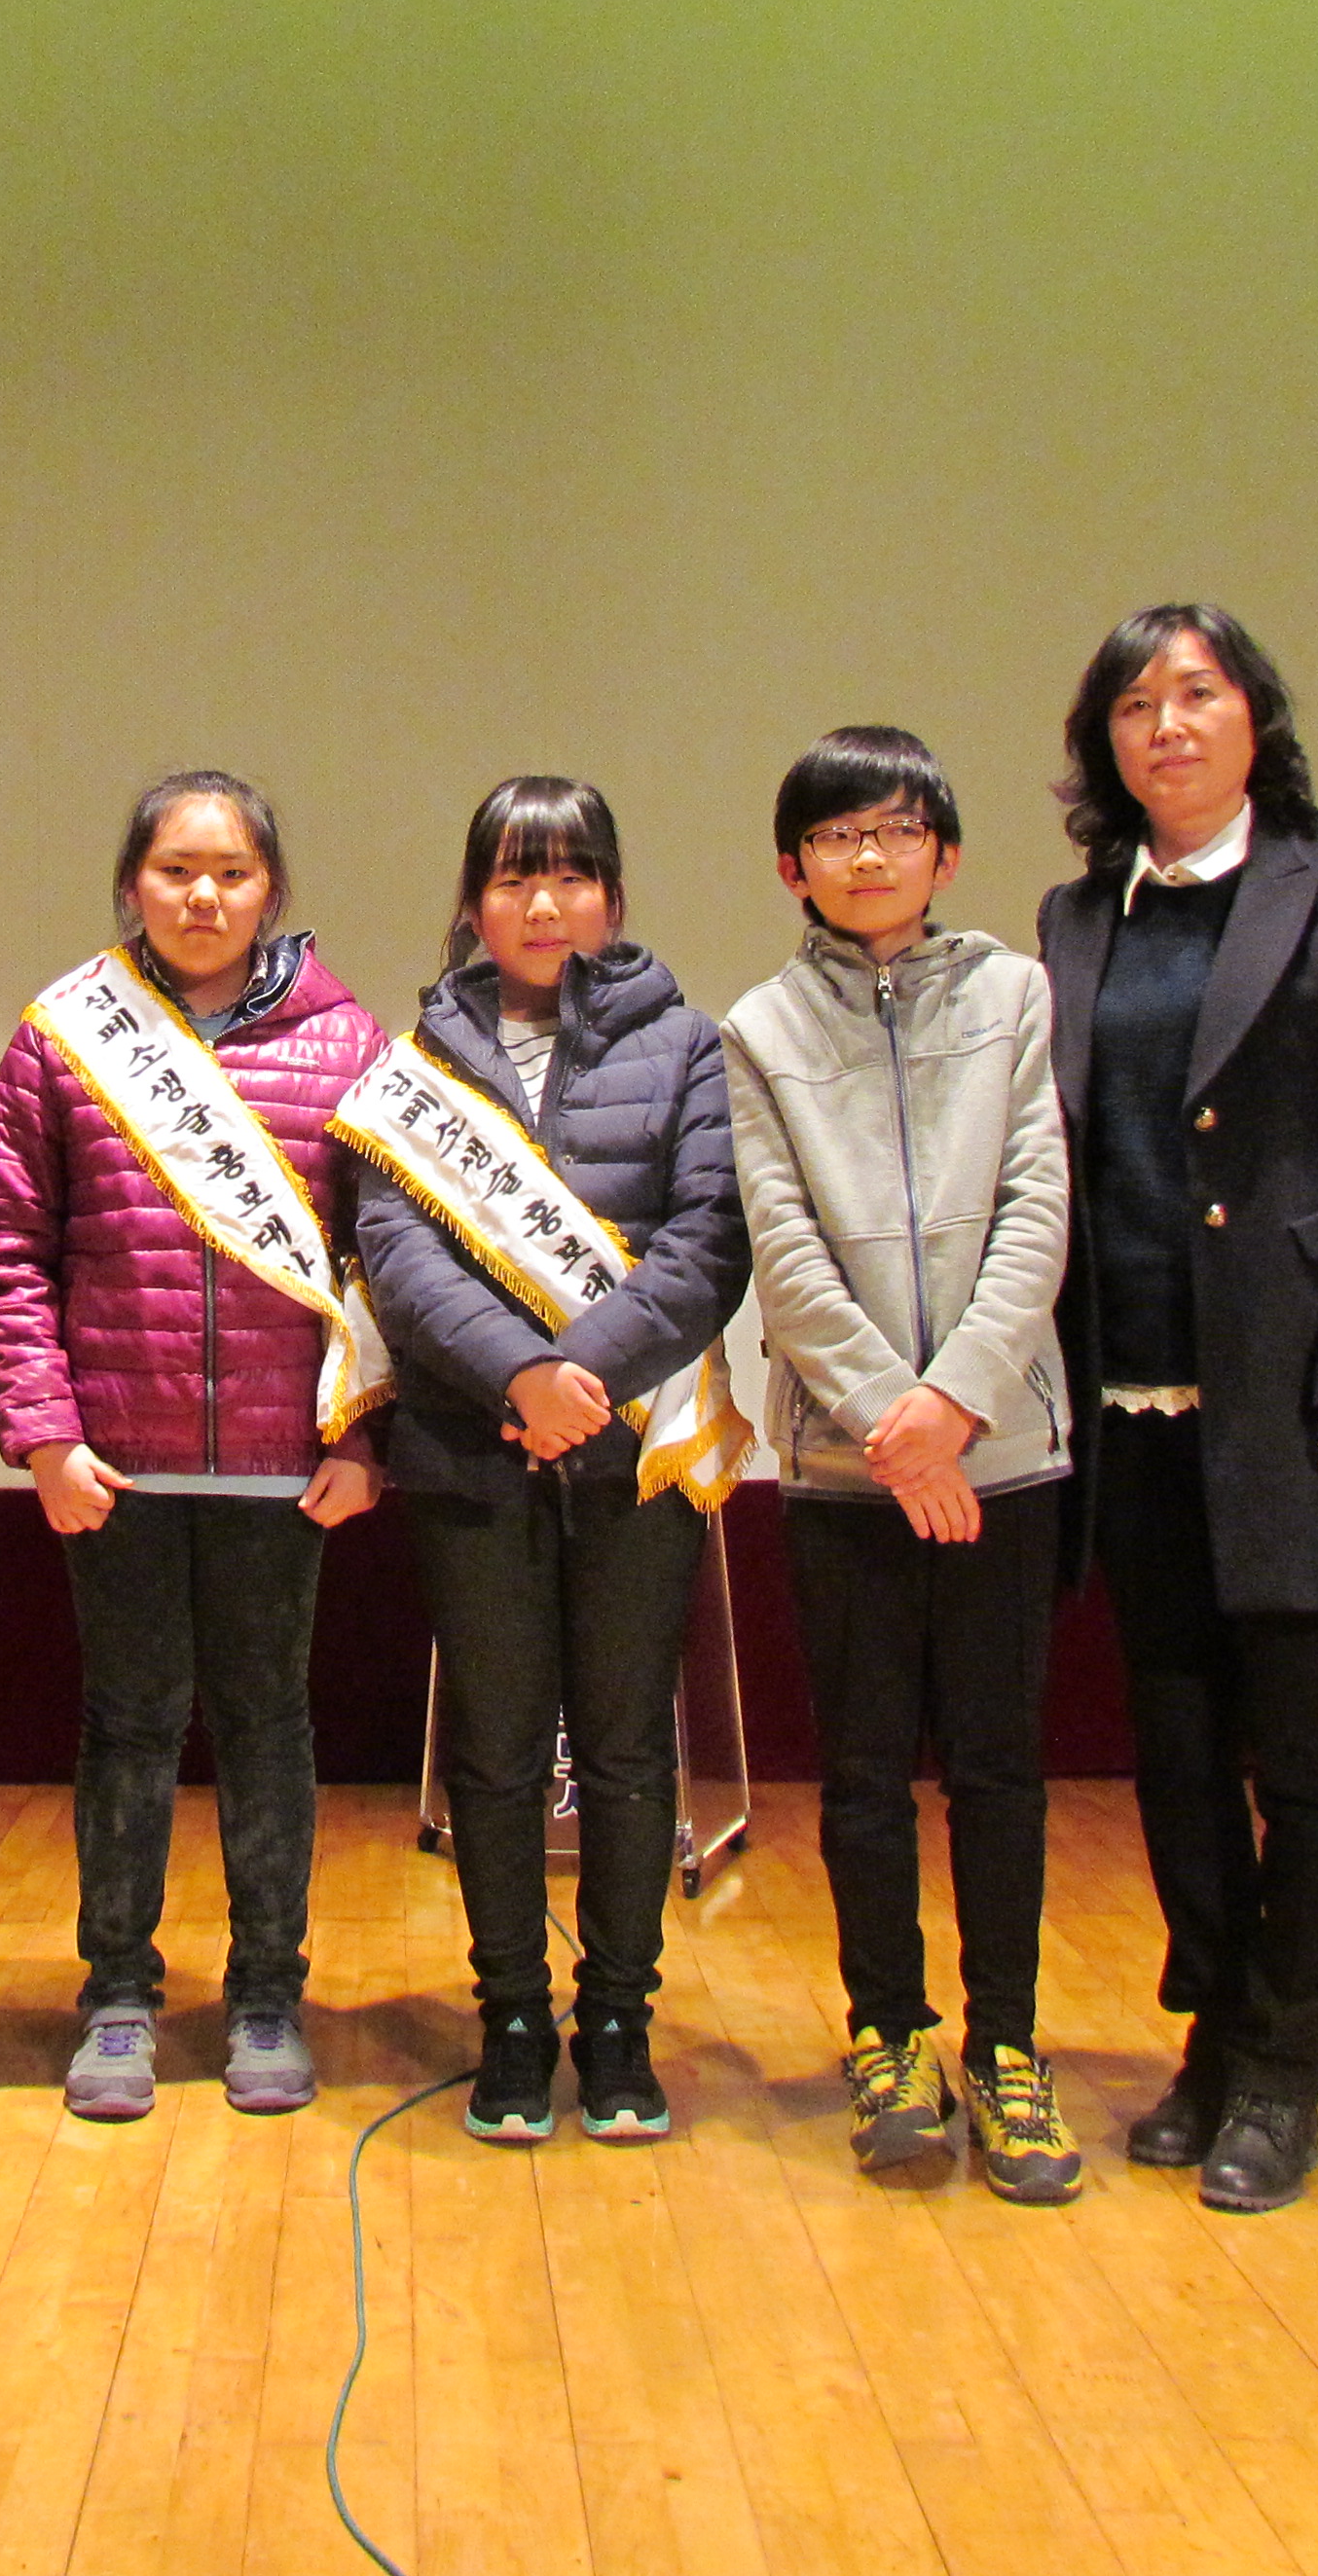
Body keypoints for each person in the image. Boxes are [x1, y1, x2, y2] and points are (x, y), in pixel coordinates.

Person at [1036, 606, 1318, 2217]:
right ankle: (1210, 2027)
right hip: (1127, 1393)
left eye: (1197, 694)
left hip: (1291, 1396)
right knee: (1177, 1743)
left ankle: (1288, 2060)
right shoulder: (1079, 919)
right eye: (1135, 704)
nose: (1168, 725)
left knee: (1309, 1750)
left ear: (1254, 719)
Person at [342, 779, 751, 2147]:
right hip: (472, 1449)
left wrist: (584, 1376)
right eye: (514, 877)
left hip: (635, 1455)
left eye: (572, 875)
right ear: (474, 904)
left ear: (613, 900)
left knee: (630, 1749)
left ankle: (620, 2020)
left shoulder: (689, 1047)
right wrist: (519, 1377)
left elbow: (709, 1241)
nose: (543, 902)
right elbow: (395, 1251)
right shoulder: (413, 1064)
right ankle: (512, 2018)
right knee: (499, 1749)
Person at [0, 773, 391, 2121]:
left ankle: (268, 1991)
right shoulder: (63, 1039)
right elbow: (11, 1253)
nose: (202, 894)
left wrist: (363, 1435)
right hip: (120, 1467)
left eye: (231, 872)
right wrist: (43, 1434)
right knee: (129, 1727)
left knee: (269, 1726)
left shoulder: (347, 1045)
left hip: (282, 1465)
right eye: (174, 869)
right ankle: (116, 1994)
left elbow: (382, 1265)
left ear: (271, 889)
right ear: (131, 884)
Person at [720, 726, 1083, 2201]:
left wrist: (959, 1407)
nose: (867, 856)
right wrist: (893, 1419)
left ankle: (1008, 2047)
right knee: (864, 1777)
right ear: (792, 867)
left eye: (895, 829)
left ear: (946, 853)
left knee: (999, 1773)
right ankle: (888, 2034)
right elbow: (783, 1250)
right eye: (837, 834)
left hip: (1005, 1457)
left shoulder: (1014, 996)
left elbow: (1038, 1209)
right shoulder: (758, 1029)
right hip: (843, 1469)